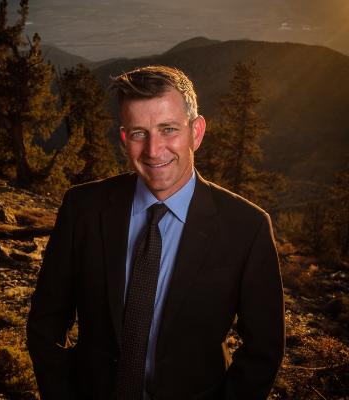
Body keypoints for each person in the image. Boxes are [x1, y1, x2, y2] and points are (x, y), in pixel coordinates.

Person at [27, 65, 285, 400]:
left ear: (196, 132)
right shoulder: (83, 209)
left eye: (168, 129)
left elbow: (263, 351)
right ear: (124, 139)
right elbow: (46, 323)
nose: (153, 149)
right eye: (139, 133)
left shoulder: (247, 227)